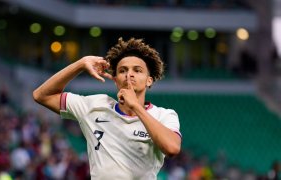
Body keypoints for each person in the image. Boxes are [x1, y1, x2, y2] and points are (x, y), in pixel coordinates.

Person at [33, 37, 182, 179]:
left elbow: (172, 148)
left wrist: (136, 106)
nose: (129, 74)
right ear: (116, 80)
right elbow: (41, 95)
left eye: (137, 70)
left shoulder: (164, 115)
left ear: (149, 81)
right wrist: (80, 64)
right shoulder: (95, 105)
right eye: (123, 70)